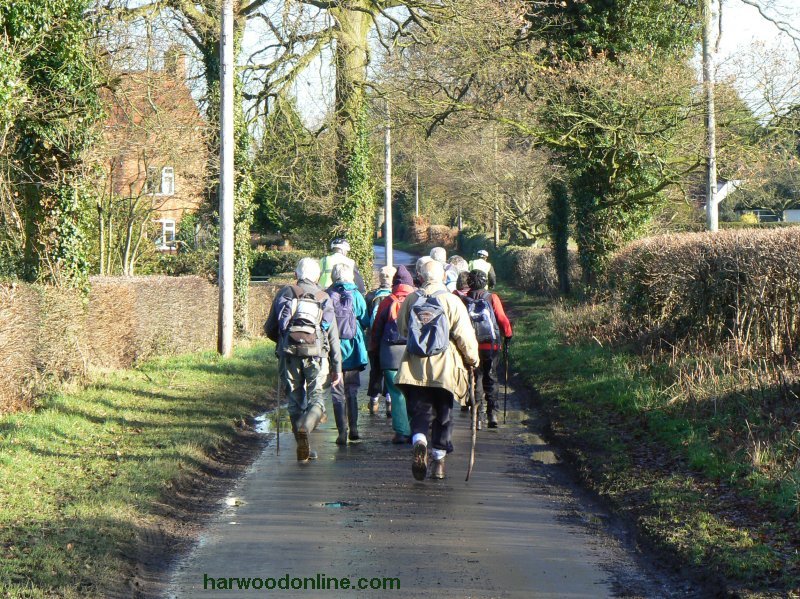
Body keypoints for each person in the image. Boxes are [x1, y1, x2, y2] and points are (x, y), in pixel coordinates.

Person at [395, 260, 479, 481]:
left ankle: (420, 441)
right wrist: (473, 360)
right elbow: (464, 335)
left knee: (419, 411)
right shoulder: (452, 300)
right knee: (443, 413)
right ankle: (439, 462)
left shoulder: (412, 298)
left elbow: (402, 329)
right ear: (443, 277)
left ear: (420, 278)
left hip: (413, 365)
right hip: (445, 366)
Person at [265, 258, 342, 462]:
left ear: (296, 274)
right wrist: (338, 366)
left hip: (289, 353)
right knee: (317, 398)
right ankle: (305, 429)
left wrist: (284, 342)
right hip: (316, 354)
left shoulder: (285, 293)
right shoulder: (324, 296)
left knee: (295, 398)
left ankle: (302, 446)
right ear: (317, 277)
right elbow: (333, 335)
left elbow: (270, 328)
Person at [461, 269, 513, 429]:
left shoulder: (463, 299)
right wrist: (508, 335)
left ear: (468, 282)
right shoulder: (492, 297)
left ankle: (477, 417)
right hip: (490, 344)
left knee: (474, 378)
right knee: (491, 377)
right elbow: (502, 319)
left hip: (470, 346)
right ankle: (493, 415)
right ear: (484, 282)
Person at [370, 265, 416, 444]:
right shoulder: (416, 300)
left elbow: (376, 329)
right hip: (413, 353)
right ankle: (416, 430)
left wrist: (374, 349)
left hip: (389, 354)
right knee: (413, 391)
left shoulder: (387, 301)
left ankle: (401, 432)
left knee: (396, 393)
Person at [326, 262, 370, 445]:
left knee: (337, 389)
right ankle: (354, 428)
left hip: (333, 348)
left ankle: (341, 432)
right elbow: (365, 320)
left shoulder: (328, 295)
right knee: (351, 389)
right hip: (353, 348)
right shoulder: (357, 295)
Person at [365, 266, 396, 416]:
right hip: (391, 341)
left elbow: (366, 319)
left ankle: (374, 400)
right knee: (390, 371)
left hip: (374, 340)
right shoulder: (396, 297)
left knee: (375, 370)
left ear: (380, 278)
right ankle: (390, 400)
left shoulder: (371, 296)